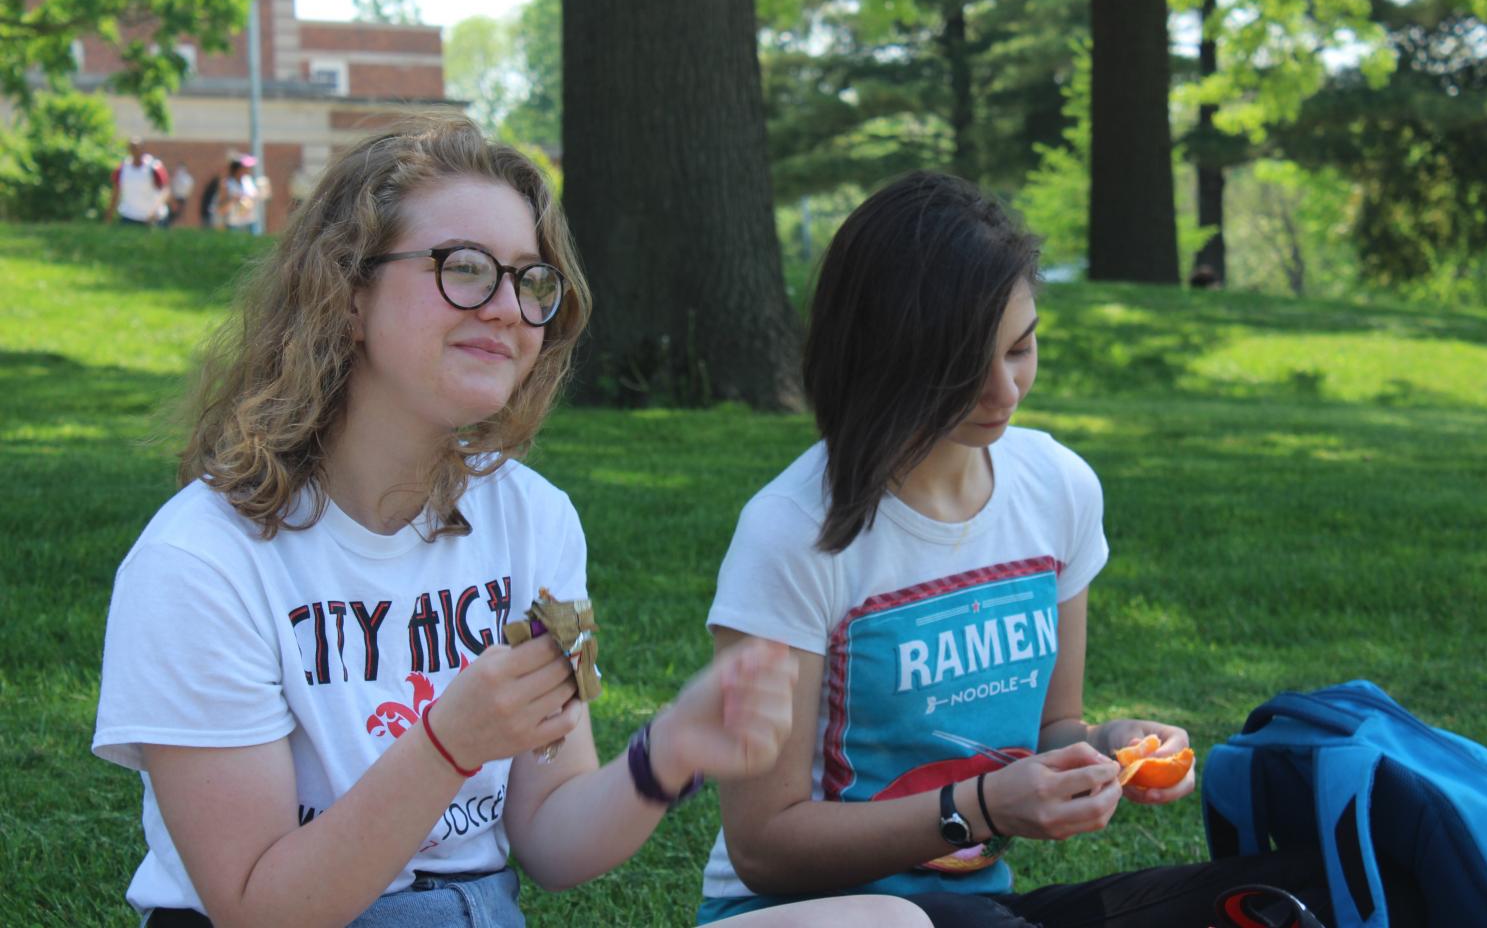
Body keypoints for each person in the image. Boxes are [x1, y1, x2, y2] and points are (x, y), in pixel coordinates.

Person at [92, 115, 928, 928]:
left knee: (884, 920)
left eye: (530, 281)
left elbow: (551, 838)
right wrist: (449, 744)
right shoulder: (201, 561)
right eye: (464, 268)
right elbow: (259, 907)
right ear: (345, 293)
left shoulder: (534, 521)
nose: (507, 309)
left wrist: (667, 750)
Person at [697, 171, 1427, 927]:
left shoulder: (1056, 488)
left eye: (1020, 347)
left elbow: (1054, 731)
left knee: (1318, 895)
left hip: (986, 911)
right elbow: (764, 843)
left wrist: (1110, 746)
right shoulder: (792, 531)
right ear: (885, 353)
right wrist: (978, 808)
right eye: (962, 367)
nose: (1004, 393)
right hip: (807, 912)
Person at [108, 138, 169, 226]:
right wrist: (109, 215)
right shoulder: (123, 168)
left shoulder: (154, 167)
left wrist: (155, 210)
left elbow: (165, 191)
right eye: (132, 148)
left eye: (138, 148)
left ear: (143, 149)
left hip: (151, 218)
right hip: (128, 216)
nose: (135, 151)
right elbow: (116, 192)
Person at [165, 163, 195, 227]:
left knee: (176, 214)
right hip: (178, 198)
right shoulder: (188, 179)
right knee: (175, 214)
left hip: (177, 197)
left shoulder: (178, 178)